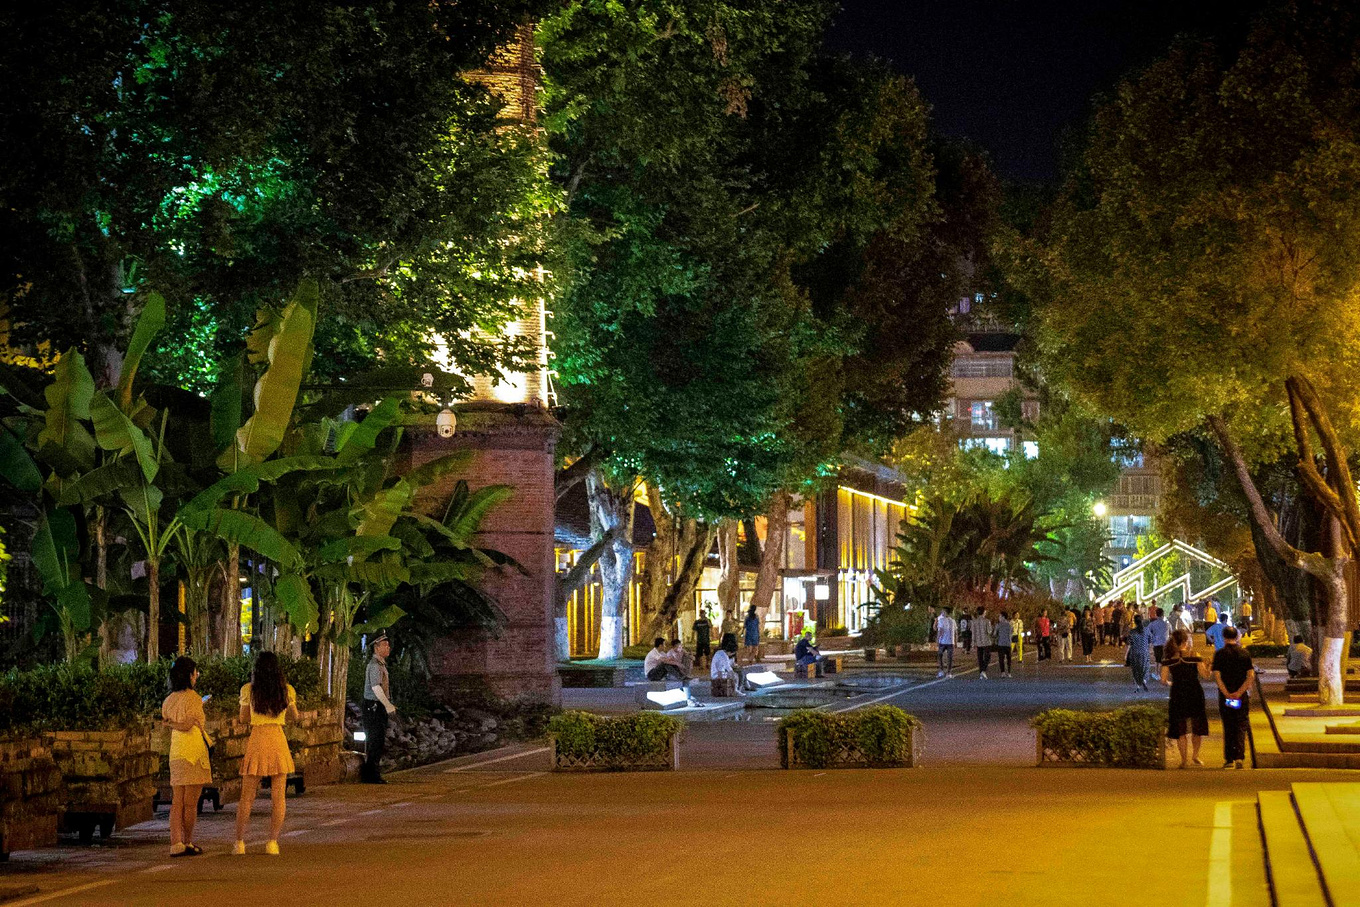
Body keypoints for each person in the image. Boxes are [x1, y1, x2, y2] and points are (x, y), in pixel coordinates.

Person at [235, 652, 300, 856]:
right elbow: (294, 716)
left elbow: (243, 718)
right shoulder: (287, 690)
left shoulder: (249, 690)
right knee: (278, 796)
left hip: (258, 738)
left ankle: (239, 842)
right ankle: (272, 842)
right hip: (277, 739)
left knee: (247, 796)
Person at [162, 656, 211, 857]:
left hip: (176, 752)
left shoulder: (168, 700)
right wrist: (174, 724)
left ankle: (176, 842)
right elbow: (188, 724)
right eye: (195, 673)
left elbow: (167, 724)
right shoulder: (193, 698)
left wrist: (169, 724)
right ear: (189, 675)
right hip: (193, 751)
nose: (196, 677)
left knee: (177, 801)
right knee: (190, 803)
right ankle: (188, 840)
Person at [1160, 629, 1209, 768]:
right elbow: (1205, 675)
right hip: (1195, 692)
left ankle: (1184, 760)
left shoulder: (1169, 660)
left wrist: (1171, 682)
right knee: (1197, 726)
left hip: (1178, 694)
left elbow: (1163, 680)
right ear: (1186, 641)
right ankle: (1195, 756)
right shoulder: (1195, 655)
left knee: (1181, 729)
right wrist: (1209, 667)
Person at [1211, 626, 1255, 769]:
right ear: (1237, 637)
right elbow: (1250, 676)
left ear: (1223, 637)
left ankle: (1229, 759)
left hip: (1225, 696)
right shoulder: (1244, 654)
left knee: (1228, 725)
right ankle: (1239, 758)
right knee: (1241, 725)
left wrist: (1226, 693)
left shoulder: (1219, 654)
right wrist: (1239, 692)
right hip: (1241, 696)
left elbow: (1217, 676)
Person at [360, 633, 396, 784]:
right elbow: (376, 687)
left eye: (388, 645)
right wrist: (387, 705)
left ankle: (371, 772)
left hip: (377, 705)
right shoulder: (375, 666)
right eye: (385, 645)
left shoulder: (380, 665)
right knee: (375, 739)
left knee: (378, 740)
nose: (388, 648)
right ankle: (371, 774)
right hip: (373, 706)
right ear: (376, 647)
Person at [1125, 615, 1152, 691]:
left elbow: (1129, 644)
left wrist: (1126, 654)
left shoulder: (1132, 632)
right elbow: (1150, 641)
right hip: (1144, 652)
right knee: (1145, 667)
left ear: (1134, 622)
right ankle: (1144, 680)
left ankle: (1137, 684)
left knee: (1135, 668)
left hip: (1134, 653)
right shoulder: (1147, 630)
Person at [972, 607, 995, 679]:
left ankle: (981, 672)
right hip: (986, 642)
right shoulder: (987, 621)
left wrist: (973, 642)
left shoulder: (974, 622)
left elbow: (973, 633)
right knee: (987, 657)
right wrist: (992, 627)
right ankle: (983, 671)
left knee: (980, 658)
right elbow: (989, 631)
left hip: (978, 642)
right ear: (984, 612)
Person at [935, 608, 957, 678]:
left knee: (940, 655)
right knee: (949, 657)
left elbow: (940, 631)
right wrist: (955, 641)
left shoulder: (941, 620)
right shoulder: (953, 621)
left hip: (943, 641)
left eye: (943, 611)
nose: (941, 612)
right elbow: (956, 632)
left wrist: (937, 640)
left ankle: (941, 671)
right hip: (951, 642)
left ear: (945, 612)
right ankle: (949, 673)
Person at [994, 611, 1013, 678]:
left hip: (1001, 644)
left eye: (1000, 616)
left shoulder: (998, 625)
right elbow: (1011, 634)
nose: (999, 618)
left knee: (1001, 659)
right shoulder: (1010, 624)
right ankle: (1009, 672)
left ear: (1003, 617)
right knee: (1009, 659)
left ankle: (1003, 673)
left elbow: (994, 634)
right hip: (1008, 644)